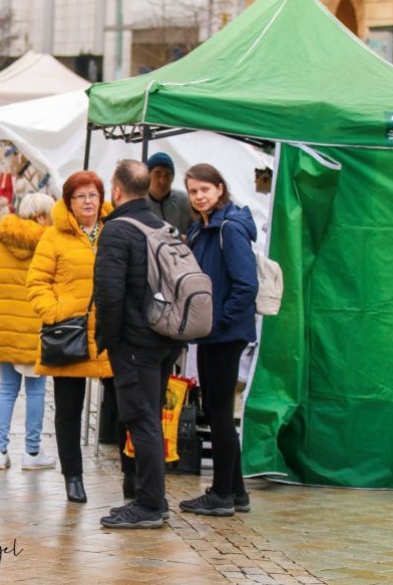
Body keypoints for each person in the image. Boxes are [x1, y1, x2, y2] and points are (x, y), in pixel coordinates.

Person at [95, 160, 184, 529]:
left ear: (116, 189)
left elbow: (109, 294)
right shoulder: (161, 226)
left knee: (141, 419)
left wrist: (110, 341)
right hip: (165, 337)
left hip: (134, 341)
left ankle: (148, 504)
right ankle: (154, 499)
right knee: (150, 418)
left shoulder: (117, 229)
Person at [26, 171, 113, 504]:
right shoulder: (54, 236)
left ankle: (134, 478)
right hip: (70, 333)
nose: (88, 201)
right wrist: (55, 313)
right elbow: (36, 282)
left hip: (108, 334)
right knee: (68, 410)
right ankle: (72, 477)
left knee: (125, 406)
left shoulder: (113, 231)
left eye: (93, 195)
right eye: (80, 196)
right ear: (69, 201)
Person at [181, 163, 258, 517]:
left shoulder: (229, 228)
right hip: (210, 333)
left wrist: (220, 321)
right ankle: (237, 492)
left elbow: (246, 285)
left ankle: (222, 494)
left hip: (225, 333)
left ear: (220, 189)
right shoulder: (202, 229)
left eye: (205, 190)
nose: (199, 196)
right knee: (214, 409)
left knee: (220, 412)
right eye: (193, 191)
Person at [0, 192, 58, 471]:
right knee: (35, 391)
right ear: (41, 216)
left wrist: (4, 291)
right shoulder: (47, 244)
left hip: (4, 326)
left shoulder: (1, 240)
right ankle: (32, 452)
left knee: (7, 389)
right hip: (35, 328)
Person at [145, 152, 193, 235]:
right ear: (148, 176)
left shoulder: (186, 202)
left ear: (173, 177)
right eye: (157, 174)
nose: (162, 181)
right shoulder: (139, 204)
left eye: (167, 175)